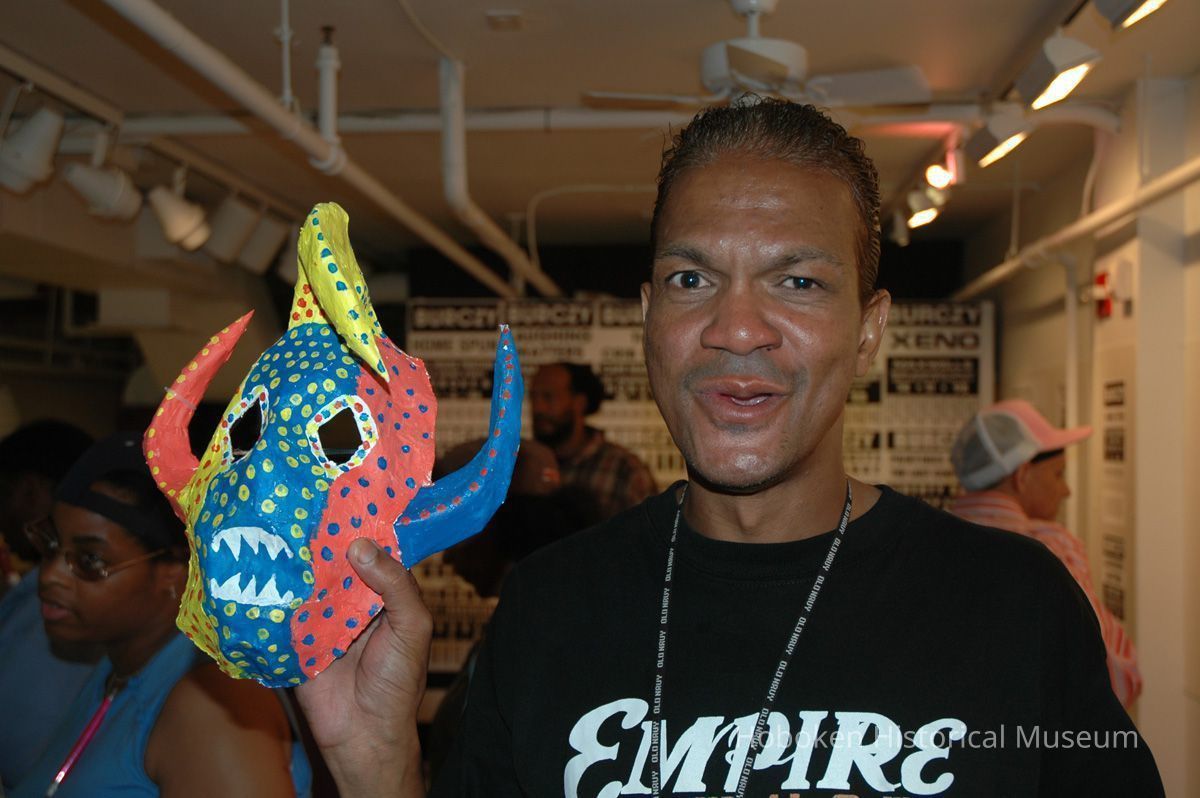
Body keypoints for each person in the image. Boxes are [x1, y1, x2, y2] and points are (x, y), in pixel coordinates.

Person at [295, 99, 1163, 797]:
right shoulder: (548, 608)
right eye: (692, 279)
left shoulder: (1016, 606)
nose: (736, 328)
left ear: (869, 332)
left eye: (798, 281)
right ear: (650, 322)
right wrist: (379, 771)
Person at [11, 432, 311, 797]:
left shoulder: (210, 706)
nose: (51, 575)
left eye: (90, 560)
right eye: (51, 543)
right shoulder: (120, 669)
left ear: (175, 571)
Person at [947, 398, 1142, 709]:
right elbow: (1114, 678)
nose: (1066, 491)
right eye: (1058, 474)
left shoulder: (929, 539)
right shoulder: (1050, 549)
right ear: (1022, 475)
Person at [0, 420, 99, 788]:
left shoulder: (71, 609)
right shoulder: (33, 596)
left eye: (91, 558)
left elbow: (25, 748)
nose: (54, 576)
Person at [530, 362, 658, 518]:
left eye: (548, 397)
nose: (538, 408)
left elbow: (651, 528)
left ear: (580, 403)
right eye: (533, 397)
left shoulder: (624, 470)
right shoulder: (521, 466)